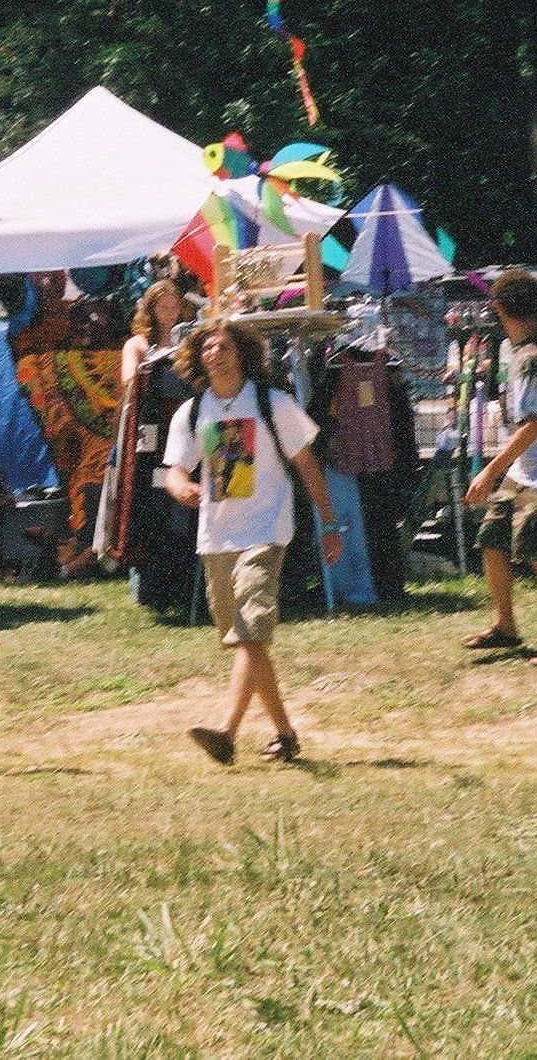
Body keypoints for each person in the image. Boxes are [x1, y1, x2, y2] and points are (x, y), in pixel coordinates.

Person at [163, 319, 342, 766]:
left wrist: (329, 524)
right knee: (246, 640)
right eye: (206, 348)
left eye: (223, 346)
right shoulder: (190, 412)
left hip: (265, 530)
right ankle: (284, 733)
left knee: (250, 630)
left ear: (241, 353)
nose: (214, 354)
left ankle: (226, 731)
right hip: (217, 536)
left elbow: (308, 465)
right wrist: (180, 486)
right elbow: (174, 470)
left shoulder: (273, 403)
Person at [462, 269, 537, 666]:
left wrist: (490, 471)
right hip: (527, 469)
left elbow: (534, 423)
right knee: (493, 538)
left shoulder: (532, 357)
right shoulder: (526, 349)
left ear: (497, 308)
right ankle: (505, 627)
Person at [121, 279, 195, 390]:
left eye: (175, 307)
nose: (171, 312)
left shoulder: (189, 338)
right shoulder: (136, 344)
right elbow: (128, 380)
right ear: (151, 310)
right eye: (164, 307)